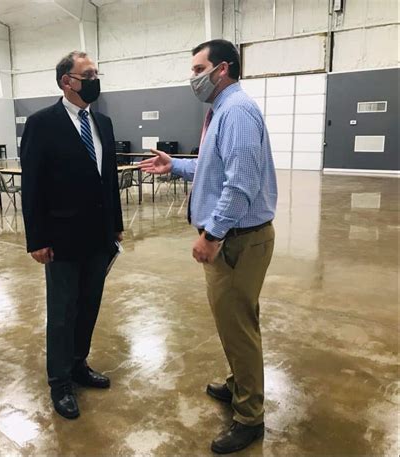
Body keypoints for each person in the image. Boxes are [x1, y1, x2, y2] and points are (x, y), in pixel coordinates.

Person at [140, 39, 277, 454]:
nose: (192, 77)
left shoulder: (235, 112)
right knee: (234, 322)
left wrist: (212, 235)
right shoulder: (222, 112)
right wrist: (176, 165)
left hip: (236, 241)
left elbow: (241, 185)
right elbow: (217, 166)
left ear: (222, 70)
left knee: (239, 328)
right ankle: (240, 384)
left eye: (198, 68)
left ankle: (250, 417)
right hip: (235, 239)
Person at [20, 51, 123, 420]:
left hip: (98, 237)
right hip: (60, 239)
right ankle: (60, 381)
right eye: (88, 74)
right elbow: (31, 186)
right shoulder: (41, 123)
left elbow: (108, 179)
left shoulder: (103, 123)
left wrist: (116, 226)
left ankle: (79, 363)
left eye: (96, 72)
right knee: (62, 312)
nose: (95, 79)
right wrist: (36, 239)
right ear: (67, 81)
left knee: (89, 305)